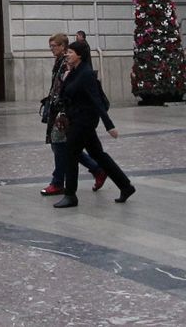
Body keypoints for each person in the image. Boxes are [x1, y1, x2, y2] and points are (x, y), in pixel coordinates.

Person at [54, 40, 135, 208]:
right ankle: (126, 186)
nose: (67, 55)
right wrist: (66, 75)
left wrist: (109, 125)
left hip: (84, 122)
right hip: (76, 119)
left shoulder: (87, 74)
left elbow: (97, 101)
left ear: (79, 55)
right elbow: (64, 95)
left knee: (71, 154)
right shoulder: (74, 72)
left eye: (70, 52)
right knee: (99, 155)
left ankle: (70, 195)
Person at [40, 32, 103, 196]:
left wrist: (62, 109)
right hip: (57, 108)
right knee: (66, 146)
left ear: (63, 46)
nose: (51, 49)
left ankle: (58, 182)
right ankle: (97, 169)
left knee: (60, 145)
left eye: (54, 46)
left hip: (64, 110)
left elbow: (66, 86)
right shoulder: (59, 62)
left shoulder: (66, 63)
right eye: (50, 46)